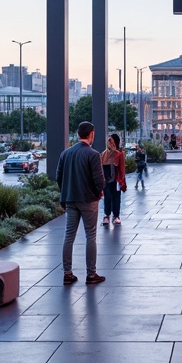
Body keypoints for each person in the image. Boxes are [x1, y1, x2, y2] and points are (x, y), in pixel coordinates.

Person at [56, 120, 106, 285]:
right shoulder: (93, 154)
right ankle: (91, 274)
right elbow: (99, 180)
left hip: (71, 200)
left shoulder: (66, 153)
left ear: (78, 134)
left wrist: (67, 190)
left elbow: (59, 177)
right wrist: (99, 191)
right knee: (90, 235)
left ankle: (67, 273)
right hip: (89, 200)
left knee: (69, 236)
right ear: (91, 134)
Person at [101, 133, 127, 226]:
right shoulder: (103, 154)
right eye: (108, 141)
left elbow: (122, 169)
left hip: (116, 180)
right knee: (107, 198)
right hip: (106, 180)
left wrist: (121, 180)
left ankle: (116, 216)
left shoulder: (119, 154)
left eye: (111, 141)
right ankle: (107, 215)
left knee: (116, 198)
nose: (109, 143)